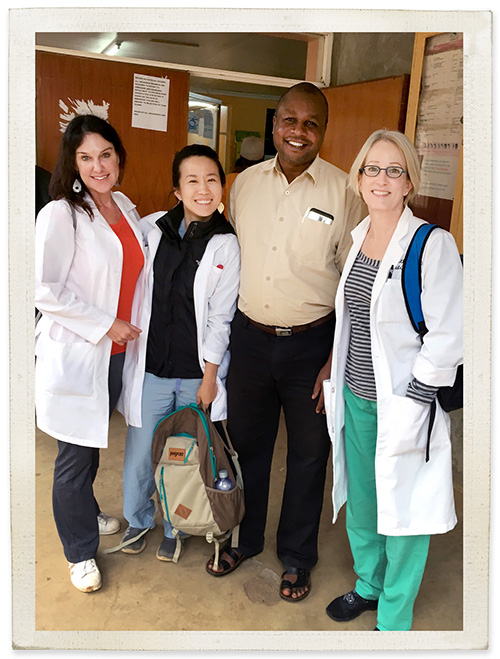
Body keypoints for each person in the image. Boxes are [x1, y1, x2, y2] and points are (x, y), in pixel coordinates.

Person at [205, 82, 366, 602]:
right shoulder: (244, 184)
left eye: (310, 123)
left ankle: (297, 556)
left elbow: (354, 283)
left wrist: (333, 359)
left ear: (324, 130)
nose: (298, 131)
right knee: (247, 447)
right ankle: (245, 539)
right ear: (275, 125)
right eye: (289, 121)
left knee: (308, 456)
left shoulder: (346, 193)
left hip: (311, 347)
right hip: (250, 342)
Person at [322, 129, 463, 631]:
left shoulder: (432, 244)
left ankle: (395, 615)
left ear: (409, 182)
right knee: (364, 498)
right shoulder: (359, 238)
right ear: (359, 179)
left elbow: (449, 333)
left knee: (406, 507)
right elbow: (354, 319)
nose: (381, 180)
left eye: (394, 170)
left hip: (404, 402)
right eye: (372, 169)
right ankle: (369, 584)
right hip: (357, 395)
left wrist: (414, 402)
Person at [35, 114, 145, 593]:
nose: (98, 166)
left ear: (118, 156)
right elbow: (45, 289)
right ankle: (79, 551)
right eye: (86, 157)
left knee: (93, 440)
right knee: (74, 456)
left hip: (117, 354)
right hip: (79, 353)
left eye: (105, 154)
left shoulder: (124, 205)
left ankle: (88, 511)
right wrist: (106, 324)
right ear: (72, 162)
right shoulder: (61, 212)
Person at [116, 144, 240, 562]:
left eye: (211, 180)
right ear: (177, 189)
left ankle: (175, 523)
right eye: (192, 180)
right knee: (140, 451)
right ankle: (137, 520)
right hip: (151, 366)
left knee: (183, 453)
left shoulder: (226, 243)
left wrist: (210, 377)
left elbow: (220, 319)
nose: (203, 189)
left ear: (221, 186)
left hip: (194, 373)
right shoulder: (153, 231)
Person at [221, 135, 265, 210]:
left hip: (228, 221)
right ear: (262, 159)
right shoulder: (266, 180)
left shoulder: (228, 180)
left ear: (241, 157)